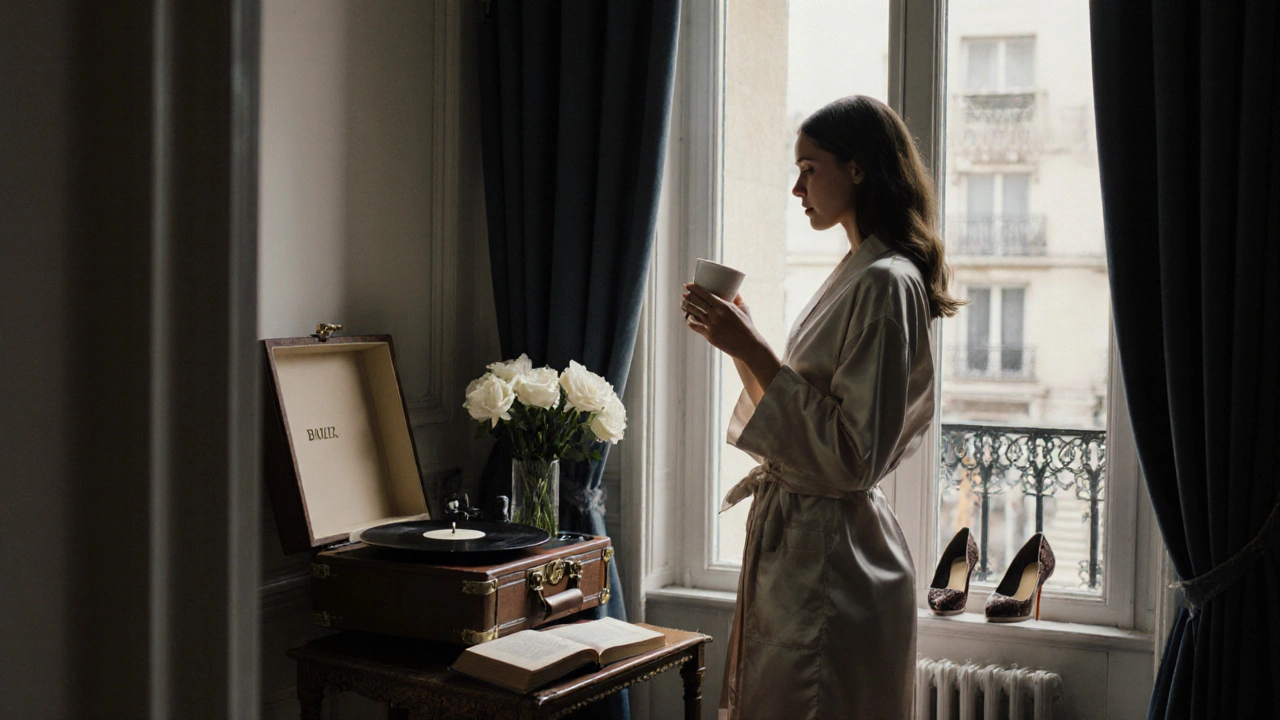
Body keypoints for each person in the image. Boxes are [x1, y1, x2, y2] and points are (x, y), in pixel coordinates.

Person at [681, 95, 962, 719]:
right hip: (805, 550)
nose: (796, 187)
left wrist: (755, 350)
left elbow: (852, 456)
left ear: (857, 168)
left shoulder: (887, 282)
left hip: (835, 561)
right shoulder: (858, 271)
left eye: (809, 168)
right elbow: (801, 421)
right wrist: (740, 346)